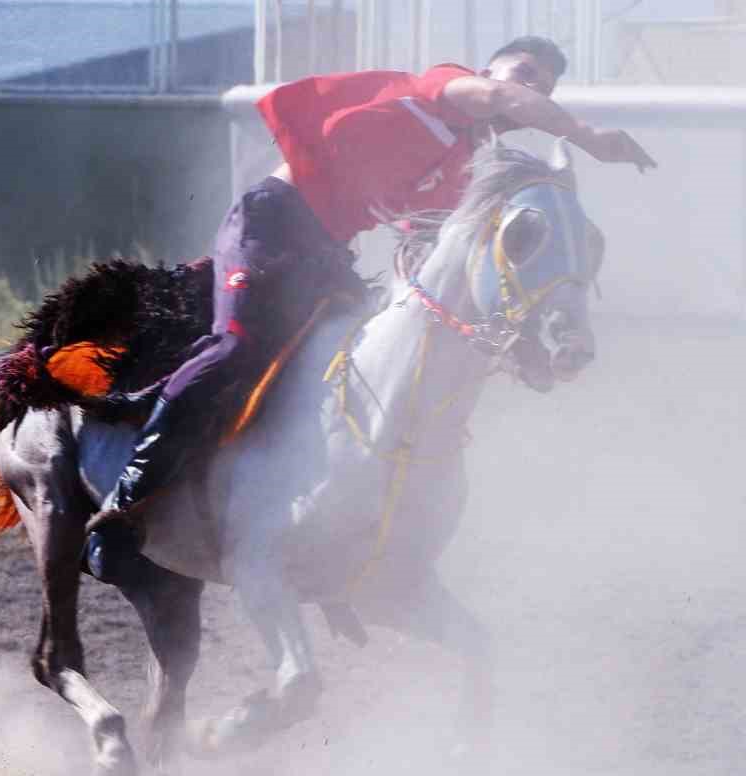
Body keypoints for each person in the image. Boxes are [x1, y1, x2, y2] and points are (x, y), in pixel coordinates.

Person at [84, 36, 656, 578]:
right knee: (235, 344)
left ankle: (323, 535)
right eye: (528, 75)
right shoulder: (450, 87)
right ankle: (122, 508)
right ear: (490, 73)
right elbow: (508, 100)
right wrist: (592, 139)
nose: (535, 92)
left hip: (326, 253)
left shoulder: (465, 164)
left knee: (357, 364)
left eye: (546, 86)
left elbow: (438, 247)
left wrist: (517, 334)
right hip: (271, 221)